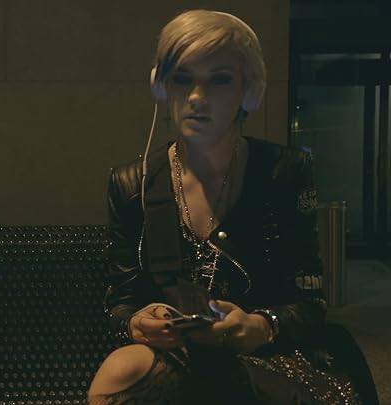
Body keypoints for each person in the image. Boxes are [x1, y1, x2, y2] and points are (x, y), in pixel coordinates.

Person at [87, 9, 362, 404]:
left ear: (249, 92)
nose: (197, 98)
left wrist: (261, 325)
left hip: (268, 356)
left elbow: (310, 303)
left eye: (219, 80)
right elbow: (118, 303)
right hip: (178, 354)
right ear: (161, 86)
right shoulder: (133, 184)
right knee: (121, 370)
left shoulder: (284, 172)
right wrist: (138, 322)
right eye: (182, 79)